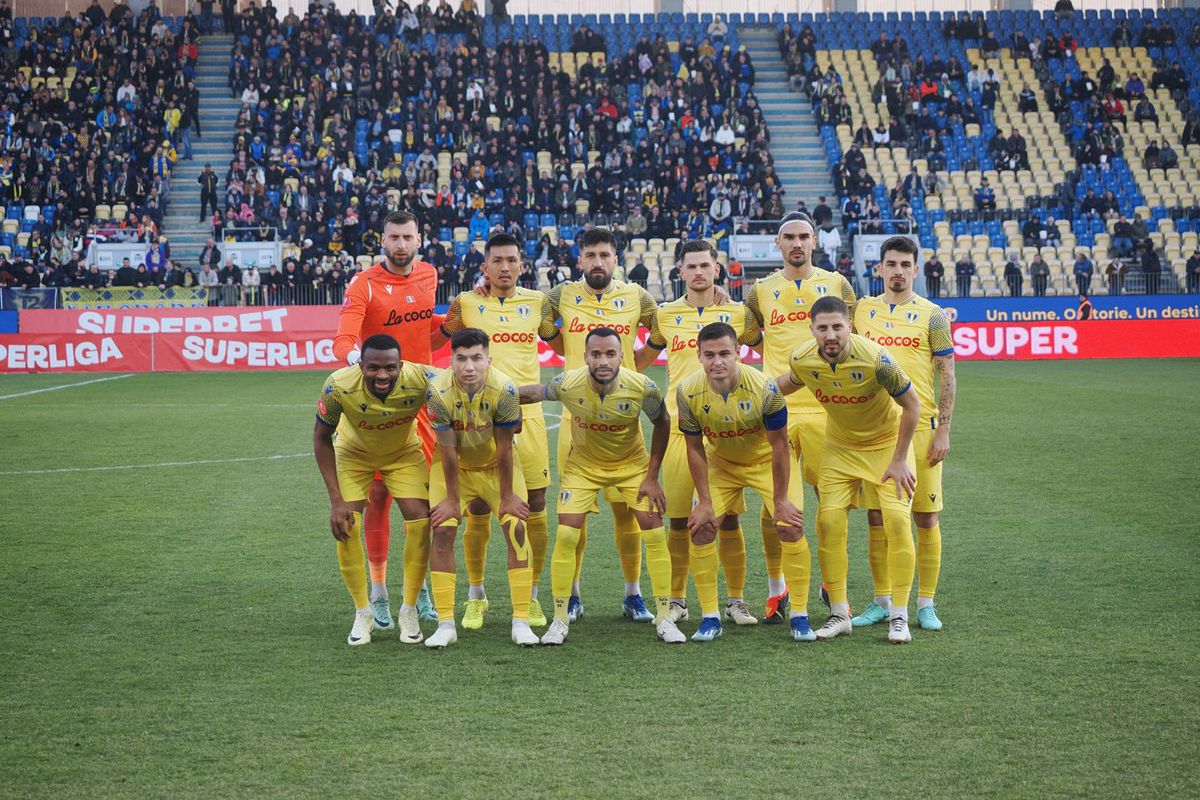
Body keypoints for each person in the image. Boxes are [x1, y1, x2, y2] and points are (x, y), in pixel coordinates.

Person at [516, 327, 681, 646]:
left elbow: (662, 422)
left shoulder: (642, 386)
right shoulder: (568, 383)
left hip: (632, 465)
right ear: (585, 357)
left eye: (610, 354)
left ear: (622, 356)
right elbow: (532, 393)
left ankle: (663, 617)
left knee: (654, 530)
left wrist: (651, 476)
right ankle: (560, 618)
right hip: (583, 467)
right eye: (596, 354)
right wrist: (491, 393)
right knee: (566, 533)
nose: (602, 360)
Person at [775, 295, 921, 644]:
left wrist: (900, 459)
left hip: (887, 448)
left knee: (898, 521)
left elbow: (912, 405)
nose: (830, 335)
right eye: (822, 328)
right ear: (811, 329)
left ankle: (898, 615)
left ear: (849, 327)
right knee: (828, 522)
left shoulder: (876, 360)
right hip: (839, 448)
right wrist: (741, 389)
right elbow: (784, 385)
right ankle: (840, 613)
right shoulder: (802, 358)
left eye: (837, 327)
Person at [636, 240, 762, 627]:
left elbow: (766, 348)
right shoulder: (665, 315)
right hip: (678, 427)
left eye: (705, 266)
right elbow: (641, 359)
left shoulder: (738, 313)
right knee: (676, 519)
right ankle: (677, 600)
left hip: (724, 431)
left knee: (726, 520)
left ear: (717, 269)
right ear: (680, 271)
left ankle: (736, 601)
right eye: (691, 267)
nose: (698, 273)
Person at [440, 233, 562, 629]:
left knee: (536, 505)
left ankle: (532, 593)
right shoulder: (465, 303)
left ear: (522, 265)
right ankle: (476, 595)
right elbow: (447, 340)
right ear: (485, 265)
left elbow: (562, 339)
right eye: (497, 260)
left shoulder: (538, 303)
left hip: (529, 419)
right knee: (477, 507)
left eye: (512, 260)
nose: (505, 267)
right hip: (478, 418)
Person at [538, 228, 659, 621]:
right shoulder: (561, 295)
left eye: (604, 255)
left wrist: (633, 369)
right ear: (580, 260)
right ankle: (572, 594)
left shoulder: (637, 296)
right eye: (590, 255)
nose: (597, 262)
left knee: (628, 512)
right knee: (574, 515)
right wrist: (572, 357)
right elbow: (544, 326)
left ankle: (633, 593)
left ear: (616, 259)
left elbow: (660, 329)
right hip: (578, 417)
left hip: (623, 418)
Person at [333, 210, 445, 628]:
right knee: (378, 499)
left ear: (420, 238)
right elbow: (344, 337)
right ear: (383, 240)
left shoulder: (430, 275)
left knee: (426, 502)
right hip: (381, 401)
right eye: (394, 237)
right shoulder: (363, 283)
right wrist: (357, 363)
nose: (401, 244)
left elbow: (424, 337)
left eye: (408, 237)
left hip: (421, 402)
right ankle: (378, 592)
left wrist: (451, 326)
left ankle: (422, 589)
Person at [745, 212, 856, 623]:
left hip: (828, 410)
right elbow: (750, 333)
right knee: (775, 506)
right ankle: (778, 590)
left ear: (815, 241)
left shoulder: (837, 284)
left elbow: (851, 337)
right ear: (777, 244)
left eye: (803, 236)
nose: (797, 243)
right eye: (788, 237)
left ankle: (832, 587)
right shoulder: (761, 290)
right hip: (778, 410)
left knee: (832, 504)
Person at [677, 322, 811, 642]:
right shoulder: (687, 392)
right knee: (701, 527)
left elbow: (780, 445)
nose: (717, 362)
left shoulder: (766, 388)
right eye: (709, 355)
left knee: (790, 525)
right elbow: (694, 448)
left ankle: (800, 615)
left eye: (725, 353)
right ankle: (710, 617)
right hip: (722, 464)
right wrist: (706, 502)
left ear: (739, 352)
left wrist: (780, 500)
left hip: (767, 461)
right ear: (698, 356)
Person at [853, 237, 957, 633]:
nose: (897, 270)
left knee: (925, 517)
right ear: (879, 268)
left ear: (916, 269)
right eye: (890, 263)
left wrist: (944, 429)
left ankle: (926, 604)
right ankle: (881, 600)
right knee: (877, 517)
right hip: (876, 430)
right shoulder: (862, 310)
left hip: (923, 428)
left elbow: (947, 375)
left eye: (905, 264)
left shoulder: (933, 316)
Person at [312, 334, 436, 646]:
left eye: (390, 368)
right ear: (361, 366)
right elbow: (320, 438)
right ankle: (363, 611)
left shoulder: (422, 378)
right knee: (346, 525)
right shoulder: (337, 385)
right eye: (373, 368)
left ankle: (408, 609)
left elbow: (463, 384)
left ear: (401, 365)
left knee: (421, 521)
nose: (382, 375)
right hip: (353, 455)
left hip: (403, 454)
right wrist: (336, 500)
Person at [424, 328, 534, 648]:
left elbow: (504, 447)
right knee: (443, 529)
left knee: (516, 528)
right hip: (454, 468)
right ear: (451, 360)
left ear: (488, 359)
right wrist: (453, 501)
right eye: (461, 359)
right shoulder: (437, 392)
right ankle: (445, 624)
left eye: (476, 358)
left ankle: (521, 621)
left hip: (495, 467)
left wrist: (509, 495)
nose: (468, 366)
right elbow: (447, 450)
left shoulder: (506, 389)